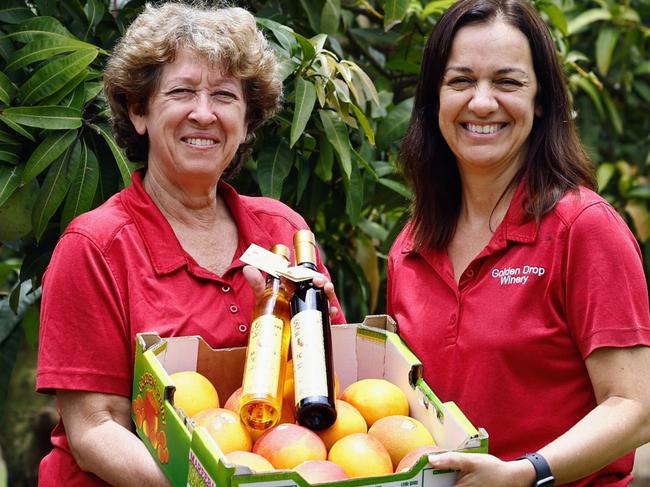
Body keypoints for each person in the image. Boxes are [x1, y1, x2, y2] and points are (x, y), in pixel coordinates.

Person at [35, 3, 344, 486]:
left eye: (224, 95)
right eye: (181, 92)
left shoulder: (284, 232)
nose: (204, 114)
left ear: (246, 122)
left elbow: (332, 394)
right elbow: (93, 430)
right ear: (139, 111)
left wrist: (315, 329)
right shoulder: (96, 246)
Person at [387, 0, 650, 485]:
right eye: (461, 81)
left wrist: (527, 473)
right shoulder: (410, 247)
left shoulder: (584, 228)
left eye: (507, 82)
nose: (482, 103)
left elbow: (633, 407)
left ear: (541, 101)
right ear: (434, 100)